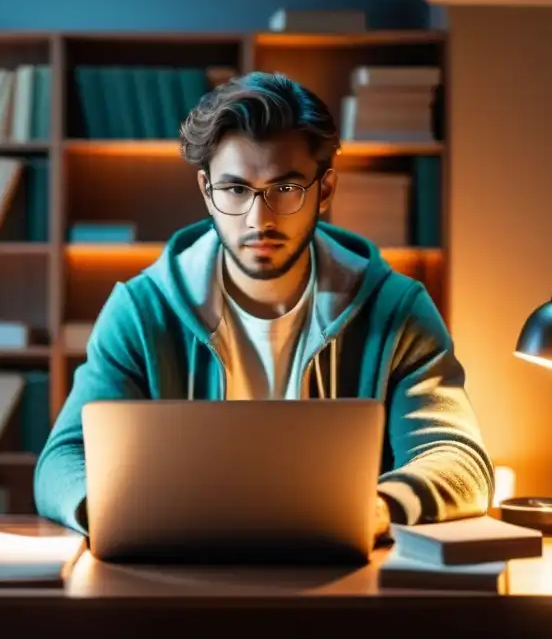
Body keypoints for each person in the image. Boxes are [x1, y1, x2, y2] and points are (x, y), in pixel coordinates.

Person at [34, 71, 494, 538]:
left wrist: (376, 508)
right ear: (206, 192)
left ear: (326, 190)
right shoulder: (140, 310)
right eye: (235, 190)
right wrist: (111, 512)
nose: (260, 219)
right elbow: (61, 460)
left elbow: (460, 460)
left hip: (345, 582)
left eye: (286, 189)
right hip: (180, 578)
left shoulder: (397, 311)